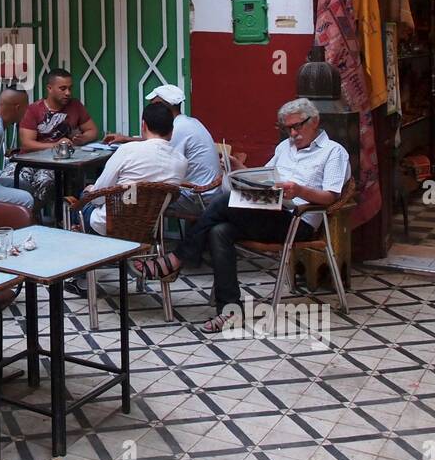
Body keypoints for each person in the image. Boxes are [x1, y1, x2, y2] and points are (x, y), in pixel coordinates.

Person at [141, 97, 350, 333]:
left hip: (297, 218)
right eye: (288, 128)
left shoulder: (333, 152)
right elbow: (267, 177)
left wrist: (300, 190)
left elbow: (331, 197)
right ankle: (229, 310)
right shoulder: (285, 148)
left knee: (222, 202)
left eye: (297, 126)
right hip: (270, 208)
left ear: (315, 121)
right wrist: (240, 171)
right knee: (220, 231)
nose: (293, 133)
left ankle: (178, 258)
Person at [104, 83, 220, 216]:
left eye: (154, 104)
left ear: (162, 105)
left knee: (142, 199)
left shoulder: (179, 128)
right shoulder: (187, 122)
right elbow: (158, 141)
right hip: (206, 193)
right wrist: (127, 139)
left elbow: (158, 155)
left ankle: (135, 232)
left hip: (197, 198)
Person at [79, 102, 187, 235]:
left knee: (83, 197)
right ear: (172, 130)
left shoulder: (128, 150)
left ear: (144, 125)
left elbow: (98, 197)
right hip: (146, 230)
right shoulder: (181, 162)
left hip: (106, 226)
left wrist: (90, 191)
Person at [17, 68, 99, 212]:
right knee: (10, 180)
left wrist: (82, 138)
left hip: (56, 164)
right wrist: (55, 145)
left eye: (70, 88)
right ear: (49, 88)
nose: (68, 93)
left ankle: (32, 217)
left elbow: (93, 131)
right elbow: (27, 143)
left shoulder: (75, 106)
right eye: (63, 88)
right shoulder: (34, 109)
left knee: (46, 183)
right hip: (28, 160)